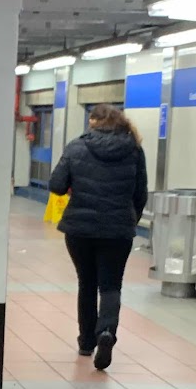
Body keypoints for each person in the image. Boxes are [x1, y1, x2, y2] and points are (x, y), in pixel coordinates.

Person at [49, 102, 148, 371]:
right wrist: (130, 220)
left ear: (94, 121)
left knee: (87, 282)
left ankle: (86, 341)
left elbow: (56, 185)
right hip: (118, 230)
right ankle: (106, 332)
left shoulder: (77, 146)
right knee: (111, 285)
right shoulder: (134, 149)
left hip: (80, 229)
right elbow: (141, 193)